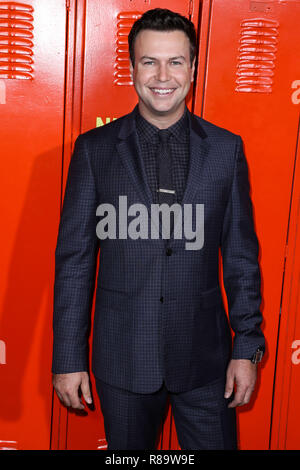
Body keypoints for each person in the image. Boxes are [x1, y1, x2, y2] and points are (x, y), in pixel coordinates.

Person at [52, 8, 265, 450]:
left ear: (193, 69)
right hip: (123, 360)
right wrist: (68, 358)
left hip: (207, 364)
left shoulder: (227, 150)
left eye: (175, 61)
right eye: (149, 62)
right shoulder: (93, 152)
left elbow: (241, 259)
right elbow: (75, 263)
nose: (162, 75)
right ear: (132, 69)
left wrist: (246, 347)